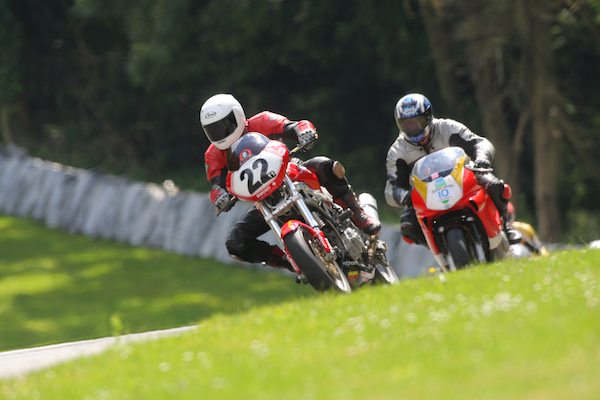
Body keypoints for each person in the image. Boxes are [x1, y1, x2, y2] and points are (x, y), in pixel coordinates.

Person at [201, 93, 380, 269]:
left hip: (291, 175)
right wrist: (219, 196)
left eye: (225, 125)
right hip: (264, 201)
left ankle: (357, 213)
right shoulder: (213, 155)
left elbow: (293, 126)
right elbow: (216, 185)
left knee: (325, 165)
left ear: (238, 115)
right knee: (235, 243)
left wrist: (305, 131)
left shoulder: (262, 120)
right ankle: (287, 260)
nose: (221, 133)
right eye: (213, 130)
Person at [384, 92, 522, 245]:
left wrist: (482, 159)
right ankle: (438, 246)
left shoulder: (447, 127)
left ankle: (506, 225)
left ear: (428, 116)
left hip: (462, 178)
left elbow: (479, 143)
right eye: (407, 125)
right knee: (408, 226)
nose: (413, 128)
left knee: (495, 185)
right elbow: (392, 187)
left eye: (417, 122)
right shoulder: (397, 152)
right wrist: (405, 196)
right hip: (424, 193)